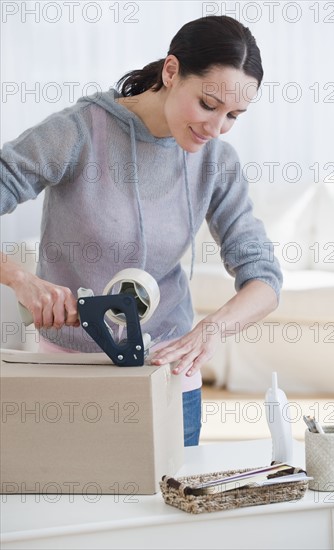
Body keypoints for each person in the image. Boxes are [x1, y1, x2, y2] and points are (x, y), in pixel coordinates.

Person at [0, 15, 282, 446]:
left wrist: (212, 330)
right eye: (207, 104)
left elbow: (264, 278)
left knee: (168, 508)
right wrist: (21, 280)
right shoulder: (80, 132)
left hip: (168, 377)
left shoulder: (216, 163)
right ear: (171, 71)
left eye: (233, 116)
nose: (215, 128)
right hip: (71, 373)